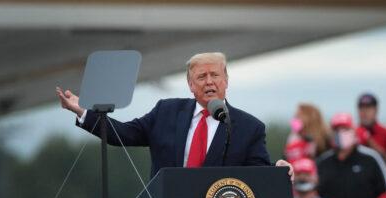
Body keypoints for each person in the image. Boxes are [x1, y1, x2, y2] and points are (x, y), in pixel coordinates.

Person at [56, 52, 293, 178]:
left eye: (215, 75)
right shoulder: (166, 112)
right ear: (191, 85)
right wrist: (83, 112)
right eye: (201, 77)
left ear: (226, 80)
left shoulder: (249, 127)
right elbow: (124, 134)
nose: (209, 81)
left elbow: (259, 174)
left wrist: (278, 170)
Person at [317, 112, 386, 198]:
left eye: (345, 129)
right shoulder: (323, 162)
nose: (341, 133)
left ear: (353, 131)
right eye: (337, 129)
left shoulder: (370, 159)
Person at [355, 93, 386, 158]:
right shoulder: (352, 133)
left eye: (368, 108)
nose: (364, 111)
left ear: (376, 110)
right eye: (361, 108)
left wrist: (368, 140)